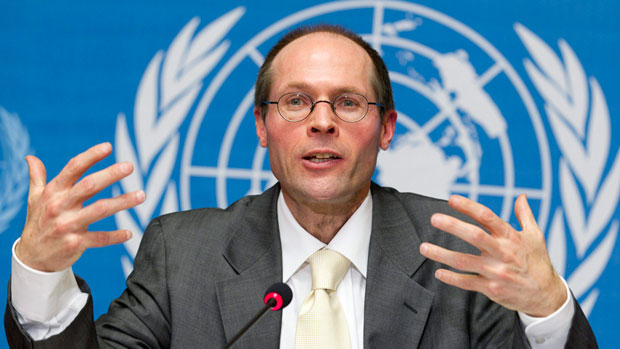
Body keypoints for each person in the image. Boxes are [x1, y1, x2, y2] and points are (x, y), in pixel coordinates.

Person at [5, 24, 596, 348]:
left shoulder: (457, 253)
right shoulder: (181, 253)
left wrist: (548, 312)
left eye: (348, 102)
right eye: (294, 101)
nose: (321, 120)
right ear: (262, 127)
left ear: (387, 129)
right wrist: (40, 274)